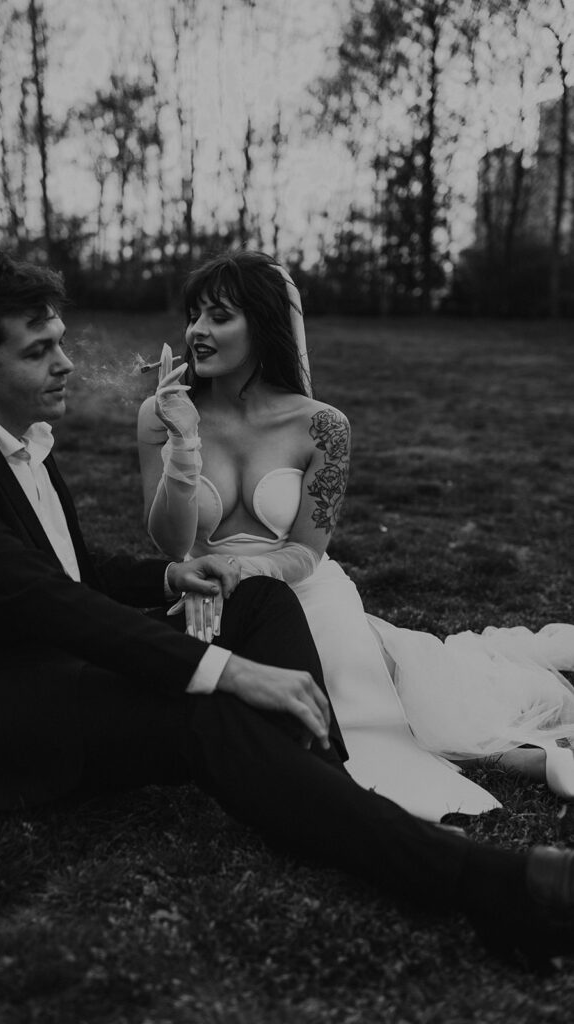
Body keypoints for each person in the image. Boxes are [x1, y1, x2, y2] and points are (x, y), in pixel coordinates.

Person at [0, 245, 574, 970]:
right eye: (39, 351)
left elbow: (77, 569)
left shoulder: (23, 438)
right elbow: (49, 602)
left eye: (61, 341)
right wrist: (226, 669)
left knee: (257, 595)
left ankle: (313, 788)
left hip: (60, 656)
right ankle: (493, 887)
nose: (63, 362)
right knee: (209, 709)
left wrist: (171, 581)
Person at [137, 249, 574, 823]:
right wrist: (184, 445)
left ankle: (531, 759)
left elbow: (306, 552)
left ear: (264, 325)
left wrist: (244, 571)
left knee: (359, 720)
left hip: (303, 589)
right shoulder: (161, 412)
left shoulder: (323, 425)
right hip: (199, 595)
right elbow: (170, 545)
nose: (197, 330)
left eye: (219, 316)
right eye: (194, 314)